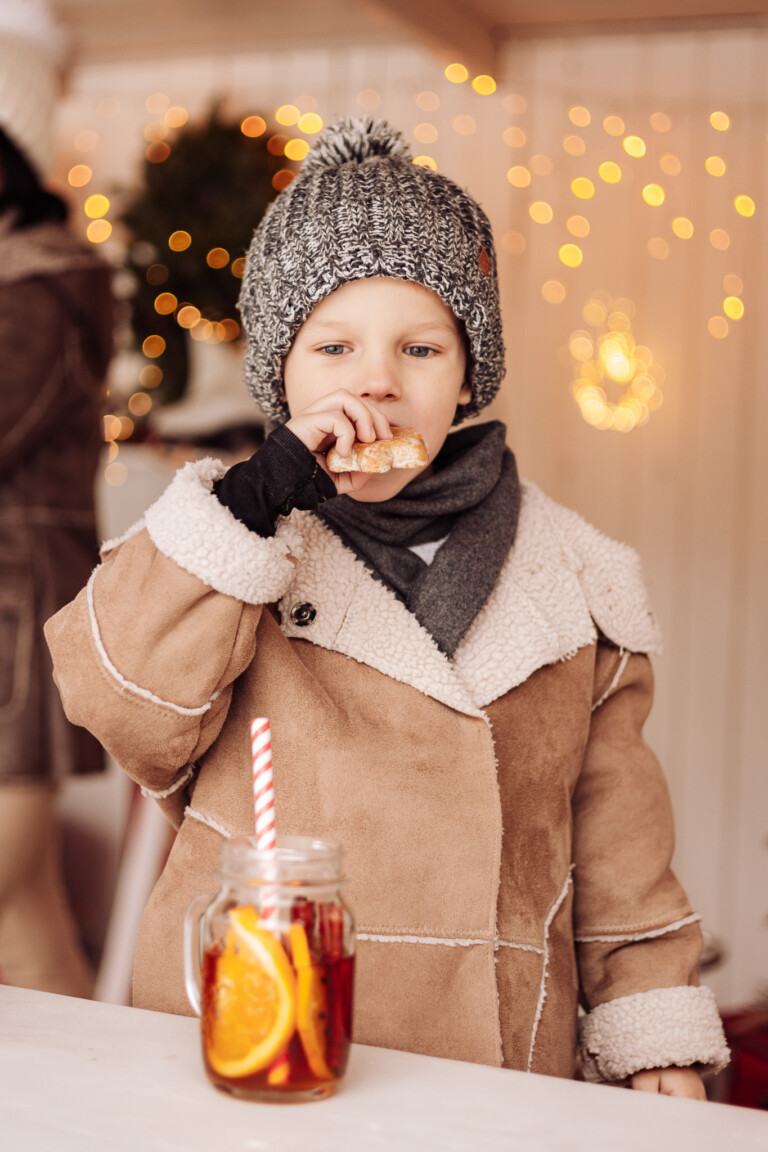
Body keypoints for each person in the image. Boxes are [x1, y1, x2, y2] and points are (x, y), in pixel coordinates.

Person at [45, 118, 728, 1092]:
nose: (376, 381)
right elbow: (121, 706)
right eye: (332, 346)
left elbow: (618, 846)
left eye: (419, 347)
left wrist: (651, 1035)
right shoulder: (230, 546)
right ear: (281, 371)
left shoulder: (580, 583)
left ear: (468, 375)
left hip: (488, 1068)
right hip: (251, 1032)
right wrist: (249, 505)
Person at [0, 68, 113, 993]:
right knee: (24, 896)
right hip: (19, 591)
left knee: (7, 888)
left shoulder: (33, 296)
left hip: (12, 596)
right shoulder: (41, 287)